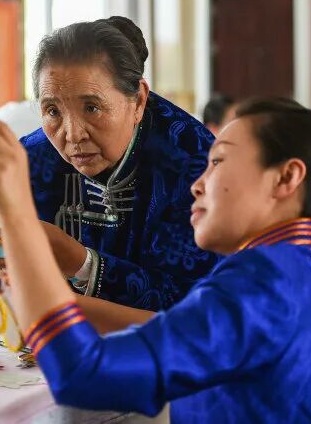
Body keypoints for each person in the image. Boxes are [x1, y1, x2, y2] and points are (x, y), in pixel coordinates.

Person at [0, 97, 311, 423]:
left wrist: (15, 210)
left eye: (217, 162)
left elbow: (82, 375)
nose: (197, 185)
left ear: (286, 178)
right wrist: (54, 298)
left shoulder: (261, 282)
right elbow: (184, 330)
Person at [18, 17, 219, 318]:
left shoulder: (195, 165)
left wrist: (83, 264)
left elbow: (192, 306)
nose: (73, 135)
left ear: (138, 102)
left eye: (91, 107)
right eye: (53, 111)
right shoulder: (26, 159)